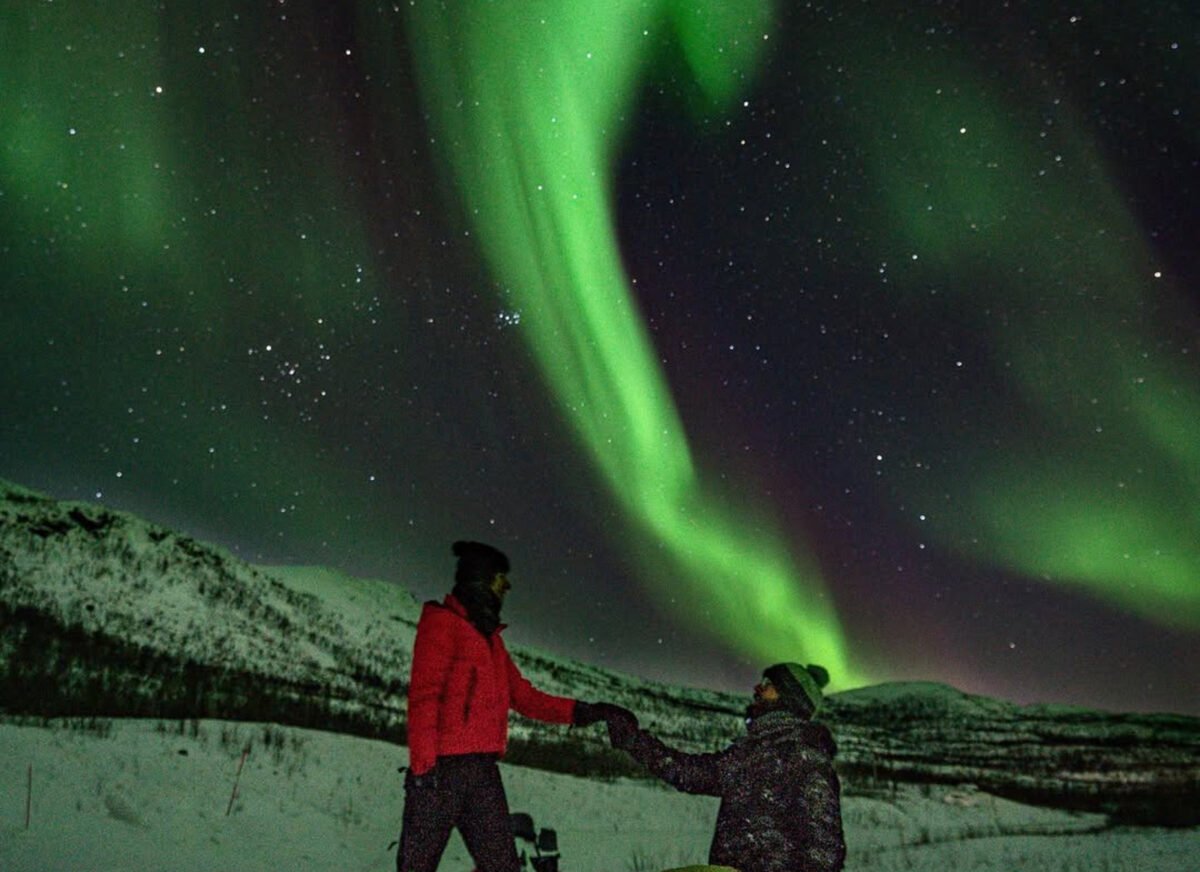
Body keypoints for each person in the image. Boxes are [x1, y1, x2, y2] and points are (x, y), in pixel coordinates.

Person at [398, 540, 616, 872]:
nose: (507, 586)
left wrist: (582, 711)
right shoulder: (442, 623)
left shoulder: (492, 641)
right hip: (441, 771)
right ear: (481, 578)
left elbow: (525, 697)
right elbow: (425, 697)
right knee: (416, 866)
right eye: (501, 577)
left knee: (501, 865)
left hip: (482, 773)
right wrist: (423, 769)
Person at [606, 663, 846, 872]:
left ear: (789, 697)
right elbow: (687, 772)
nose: (758, 688)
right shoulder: (751, 754)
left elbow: (824, 853)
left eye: (768, 684)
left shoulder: (807, 759)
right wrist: (633, 740)